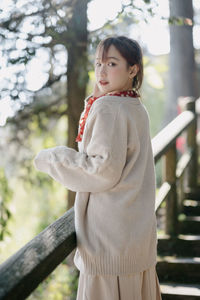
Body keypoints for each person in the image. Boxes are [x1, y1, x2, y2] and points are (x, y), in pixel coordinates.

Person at [34, 36, 162, 300]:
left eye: (112, 63)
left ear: (133, 68)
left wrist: (52, 158)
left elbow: (101, 170)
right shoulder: (134, 105)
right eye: (98, 64)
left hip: (110, 243)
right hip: (134, 238)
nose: (101, 72)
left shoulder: (108, 108)